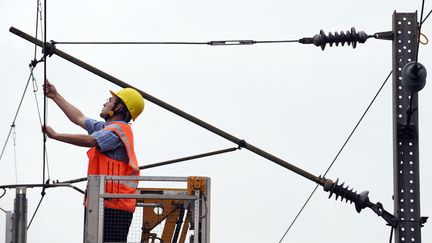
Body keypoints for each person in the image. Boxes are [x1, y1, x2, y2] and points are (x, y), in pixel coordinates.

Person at [43, 80, 144, 242]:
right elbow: (79, 118)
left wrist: (56, 136)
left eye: (110, 101)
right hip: (102, 203)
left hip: (113, 207)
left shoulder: (118, 131)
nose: (105, 103)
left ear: (120, 107)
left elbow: (91, 141)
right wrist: (55, 96)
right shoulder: (108, 128)